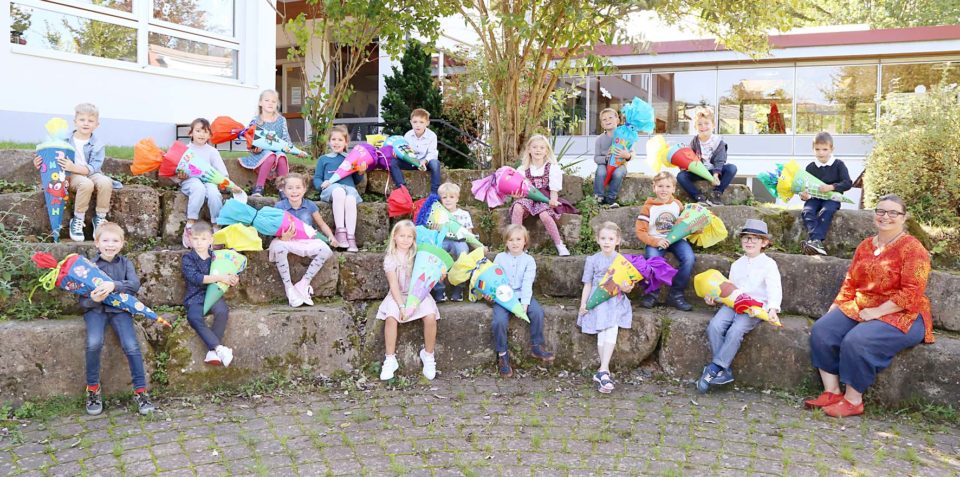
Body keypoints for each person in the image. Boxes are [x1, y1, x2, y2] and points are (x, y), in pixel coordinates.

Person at [805, 194, 934, 418]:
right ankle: (832, 392)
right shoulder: (865, 245)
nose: (885, 216)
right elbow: (851, 281)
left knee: (857, 340)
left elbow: (912, 293)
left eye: (893, 212)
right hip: (863, 305)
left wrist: (877, 312)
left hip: (904, 313)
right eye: (881, 211)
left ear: (904, 217)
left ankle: (853, 400)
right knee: (822, 330)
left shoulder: (914, 249)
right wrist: (836, 307)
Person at [696, 219, 782, 393]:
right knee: (715, 326)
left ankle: (714, 367)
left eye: (754, 238)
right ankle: (724, 370)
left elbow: (774, 287)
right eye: (746, 238)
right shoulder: (737, 264)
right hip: (733, 304)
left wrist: (773, 308)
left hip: (754, 308)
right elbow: (729, 288)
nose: (749, 242)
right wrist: (714, 299)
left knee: (736, 330)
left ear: (764, 242)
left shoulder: (769, 264)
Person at [81, 222, 155, 416]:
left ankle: (140, 392)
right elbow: (83, 301)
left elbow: (134, 285)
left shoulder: (125, 263)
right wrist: (93, 299)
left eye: (115, 241)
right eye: (105, 240)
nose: (110, 245)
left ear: (122, 244)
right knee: (94, 342)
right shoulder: (89, 266)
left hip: (120, 310)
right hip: (96, 311)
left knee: (131, 345)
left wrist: (114, 285)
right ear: (97, 243)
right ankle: (93, 389)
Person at [33, 103, 120, 242]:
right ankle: (78, 219)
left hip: (91, 172)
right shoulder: (64, 139)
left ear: (97, 125)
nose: (86, 123)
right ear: (75, 122)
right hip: (71, 175)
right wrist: (39, 161)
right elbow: (50, 152)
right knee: (86, 184)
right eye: (82, 120)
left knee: (105, 181)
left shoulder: (98, 144)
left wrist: (73, 166)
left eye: (90, 121)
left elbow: (94, 167)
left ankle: (100, 218)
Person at [377, 220, 440, 381]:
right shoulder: (391, 258)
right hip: (397, 295)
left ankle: (428, 354)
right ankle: (390, 359)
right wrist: (401, 306)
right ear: (394, 237)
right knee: (391, 318)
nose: (405, 240)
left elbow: (428, 275)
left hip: (418, 294)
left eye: (409, 237)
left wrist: (439, 272)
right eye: (402, 236)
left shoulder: (419, 255)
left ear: (414, 239)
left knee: (430, 316)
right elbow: (393, 285)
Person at [492, 224, 555, 377]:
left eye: (518, 239)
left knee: (537, 313)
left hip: (522, 294)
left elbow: (527, 283)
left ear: (525, 241)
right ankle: (502, 355)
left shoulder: (529, 260)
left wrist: (524, 304)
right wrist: (493, 295)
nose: (515, 243)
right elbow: (495, 278)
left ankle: (536, 346)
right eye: (511, 240)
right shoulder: (500, 258)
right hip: (503, 296)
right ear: (506, 242)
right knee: (499, 321)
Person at [578, 222, 634, 393]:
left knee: (611, 328)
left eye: (610, 239)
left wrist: (626, 287)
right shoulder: (592, 260)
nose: (606, 242)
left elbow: (628, 287)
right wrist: (584, 304)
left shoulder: (622, 261)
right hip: (597, 299)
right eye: (603, 238)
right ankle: (604, 372)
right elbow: (587, 284)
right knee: (603, 329)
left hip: (615, 299)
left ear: (618, 240)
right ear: (597, 240)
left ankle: (603, 370)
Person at [271, 173, 338, 307]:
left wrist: (331, 236)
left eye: (298, 187)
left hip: (306, 240)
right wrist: (282, 237)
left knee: (325, 250)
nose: (294, 191)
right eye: (290, 188)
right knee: (279, 248)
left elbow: (322, 224)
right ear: (284, 190)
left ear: (304, 189)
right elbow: (273, 228)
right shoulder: (279, 207)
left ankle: (304, 283)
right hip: (286, 240)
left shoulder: (310, 206)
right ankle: (289, 287)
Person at [175, 118, 241, 248]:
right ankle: (190, 224)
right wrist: (181, 176)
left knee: (213, 193)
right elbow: (176, 171)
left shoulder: (212, 152)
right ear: (191, 133)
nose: (201, 134)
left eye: (205, 132)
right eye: (198, 131)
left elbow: (222, 173)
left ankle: (216, 227)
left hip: (209, 181)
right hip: (190, 181)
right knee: (198, 188)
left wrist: (231, 186)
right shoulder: (185, 150)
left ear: (210, 135)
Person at [635, 172, 695, 311]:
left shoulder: (677, 205)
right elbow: (640, 231)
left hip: (677, 240)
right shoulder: (648, 207)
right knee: (653, 259)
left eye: (668, 186)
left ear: (673, 189)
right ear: (654, 187)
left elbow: (685, 224)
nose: (664, 189)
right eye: (660, 186)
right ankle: (652, 294)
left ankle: (676, 294)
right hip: (656, 240)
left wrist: (696, 228)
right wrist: (655, 242)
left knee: (689, 258)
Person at [510, 134, 577, 256]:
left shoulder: (552, 168)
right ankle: (519, 244)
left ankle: (559, 244)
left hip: (544, 198)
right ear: (529, 149)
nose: (538, 150)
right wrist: (516, 196)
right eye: (534, 147)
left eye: (542, 147)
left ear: (546, 151)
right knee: (517, 208)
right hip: (528, 198)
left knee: (544, 214)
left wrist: (553, 200)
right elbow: (520, 190)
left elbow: (554, 191)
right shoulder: (523, 169)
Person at [181, 221, 237, 367]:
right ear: (190, 239)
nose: (199, 242)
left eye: (203, 239)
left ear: (211, 240)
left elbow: (227, 270)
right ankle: (218, 348)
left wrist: (232, 278)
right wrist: (220, 277)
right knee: (193, 317)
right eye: (195, 238)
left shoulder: (217, 257)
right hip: (195, 297)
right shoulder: (188, 258)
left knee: (222, 311)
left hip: (213, 294)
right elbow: (196, 278)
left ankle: (212, 352)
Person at [238, 89, 307, 197]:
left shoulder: (281, 120)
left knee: (281, 156)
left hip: (278, 151)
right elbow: (250, 140)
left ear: (276, 104)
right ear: (260, 103)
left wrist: (296, 152)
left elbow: (285, 140)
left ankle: (283, 190)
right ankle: (259, 188)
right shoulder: (256, 120)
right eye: (267, 100)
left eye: (273, 101)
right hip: (261, 154)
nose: (270, 103)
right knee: (270, 155)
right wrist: (255, 148)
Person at [800, 132, 852, 256]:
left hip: (832, 197)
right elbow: (806, 187)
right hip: (815, 197)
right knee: (807, 211)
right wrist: (804, 196)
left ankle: (815, 241)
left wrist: (832, 187)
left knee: (827, 210)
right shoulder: (810, 167)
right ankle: (816, 242)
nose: (821, 153)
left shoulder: (838, 164)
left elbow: (847, 183)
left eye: (824, 149)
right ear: (813, 149)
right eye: (817, 149)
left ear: (831, 149)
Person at [314, 125, 363, 252]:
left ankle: (350, 237)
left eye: (340, 140)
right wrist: (321, 184)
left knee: (351, 200)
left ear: (346, 143)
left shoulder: (350, 159)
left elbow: (356, 180)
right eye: (334, 139)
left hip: (349, 189)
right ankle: (340, 232)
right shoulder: (323, 159)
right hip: (332, 188)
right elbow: (317, 177)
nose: (336, 142)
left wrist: (360, 172)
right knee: (339, 192)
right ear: (329, 141)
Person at [678, 107, 736, 206]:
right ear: (696, 127)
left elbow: (720, 160)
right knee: (681, 176)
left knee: (732, 168)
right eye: (699, 124)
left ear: (713, 125)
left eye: (706, 123)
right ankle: (699, 197)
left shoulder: (718, 142)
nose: (703, 127)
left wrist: (716, 175)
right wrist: (685, 165)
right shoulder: (694, 142)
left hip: (714, 171)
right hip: (699, 171)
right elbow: (690, 157)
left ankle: (716, 194)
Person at [431, 182, 472, 302]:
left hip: (459, 240)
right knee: (434, 253)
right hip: (442, 239)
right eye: (444, 197)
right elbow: (433, 234)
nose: (448, 200)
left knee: (462, 252)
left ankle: (458, 289)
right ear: (441, 199)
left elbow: (469, 234)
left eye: (451, 197)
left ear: (457, 198)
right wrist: (434, 228)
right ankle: (439, 290)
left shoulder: (464, 214)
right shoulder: (437, 214)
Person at [390, 108, 442, 195]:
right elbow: (405, 150)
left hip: (425, 163)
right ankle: (402, 189)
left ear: (427, 123)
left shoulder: (432, 136)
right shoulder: (408, 135)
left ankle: (434, 193)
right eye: (415, 122)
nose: (418, 125)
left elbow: (432, 153)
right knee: (393, 162)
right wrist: (398, 154)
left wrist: (425, 161)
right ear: (411, 122)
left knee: (435, 163)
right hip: (411, 162)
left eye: (421, 122)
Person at [592, 107, 632, 207]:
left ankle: (611, 198)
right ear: (602, 124)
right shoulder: (599, 139)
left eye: (610, 118)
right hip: (604, 164)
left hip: (619, 164)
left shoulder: (624, 136)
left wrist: (627, 155)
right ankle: (598, 197)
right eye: (604, 119)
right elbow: (596, 158)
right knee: (601, 172)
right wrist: (606, 158)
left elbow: (632, 153)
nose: (607, 120)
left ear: (617, 121)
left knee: (618, 174)